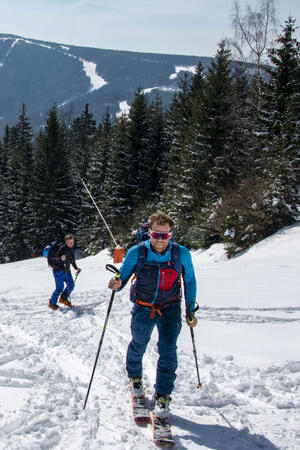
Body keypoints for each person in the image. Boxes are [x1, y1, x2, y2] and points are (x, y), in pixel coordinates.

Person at [108, 210, 197, 418]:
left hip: (170, 308)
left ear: (171, 234)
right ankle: (135, 379)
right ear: (149, 233)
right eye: (156, 234)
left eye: (164, 235)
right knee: (139, 342)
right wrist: (117, 283)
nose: (159, 239)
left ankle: (163, 395)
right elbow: (123, 275)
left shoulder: (180, 253)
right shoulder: (136, 252)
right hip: (143, 306)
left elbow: (190, 280)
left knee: (168, 350)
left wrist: (190, 308)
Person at [48, 233, 81, 310]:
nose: (71, 244)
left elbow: (72, 258)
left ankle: (63, 298)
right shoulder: (61, 248)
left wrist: (75, 267)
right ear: (66, 242)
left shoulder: (72, 248)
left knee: (71, 285)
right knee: (59, 288)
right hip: (58, 271)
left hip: (67, 270)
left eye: (72, 242)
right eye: (69, 242)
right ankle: (52, 303)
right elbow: (53, 259)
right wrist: (60, 259)